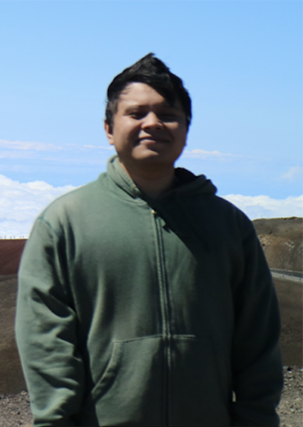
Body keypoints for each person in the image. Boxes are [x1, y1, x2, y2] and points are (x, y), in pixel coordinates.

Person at [15, 53, 283, 425]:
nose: (153, 123)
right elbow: (46, 343)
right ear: (109, 128)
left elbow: (258, 340)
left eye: (168, 114)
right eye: (137, 113)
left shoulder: (229, 225)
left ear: (186, 128)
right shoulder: (65, 223)